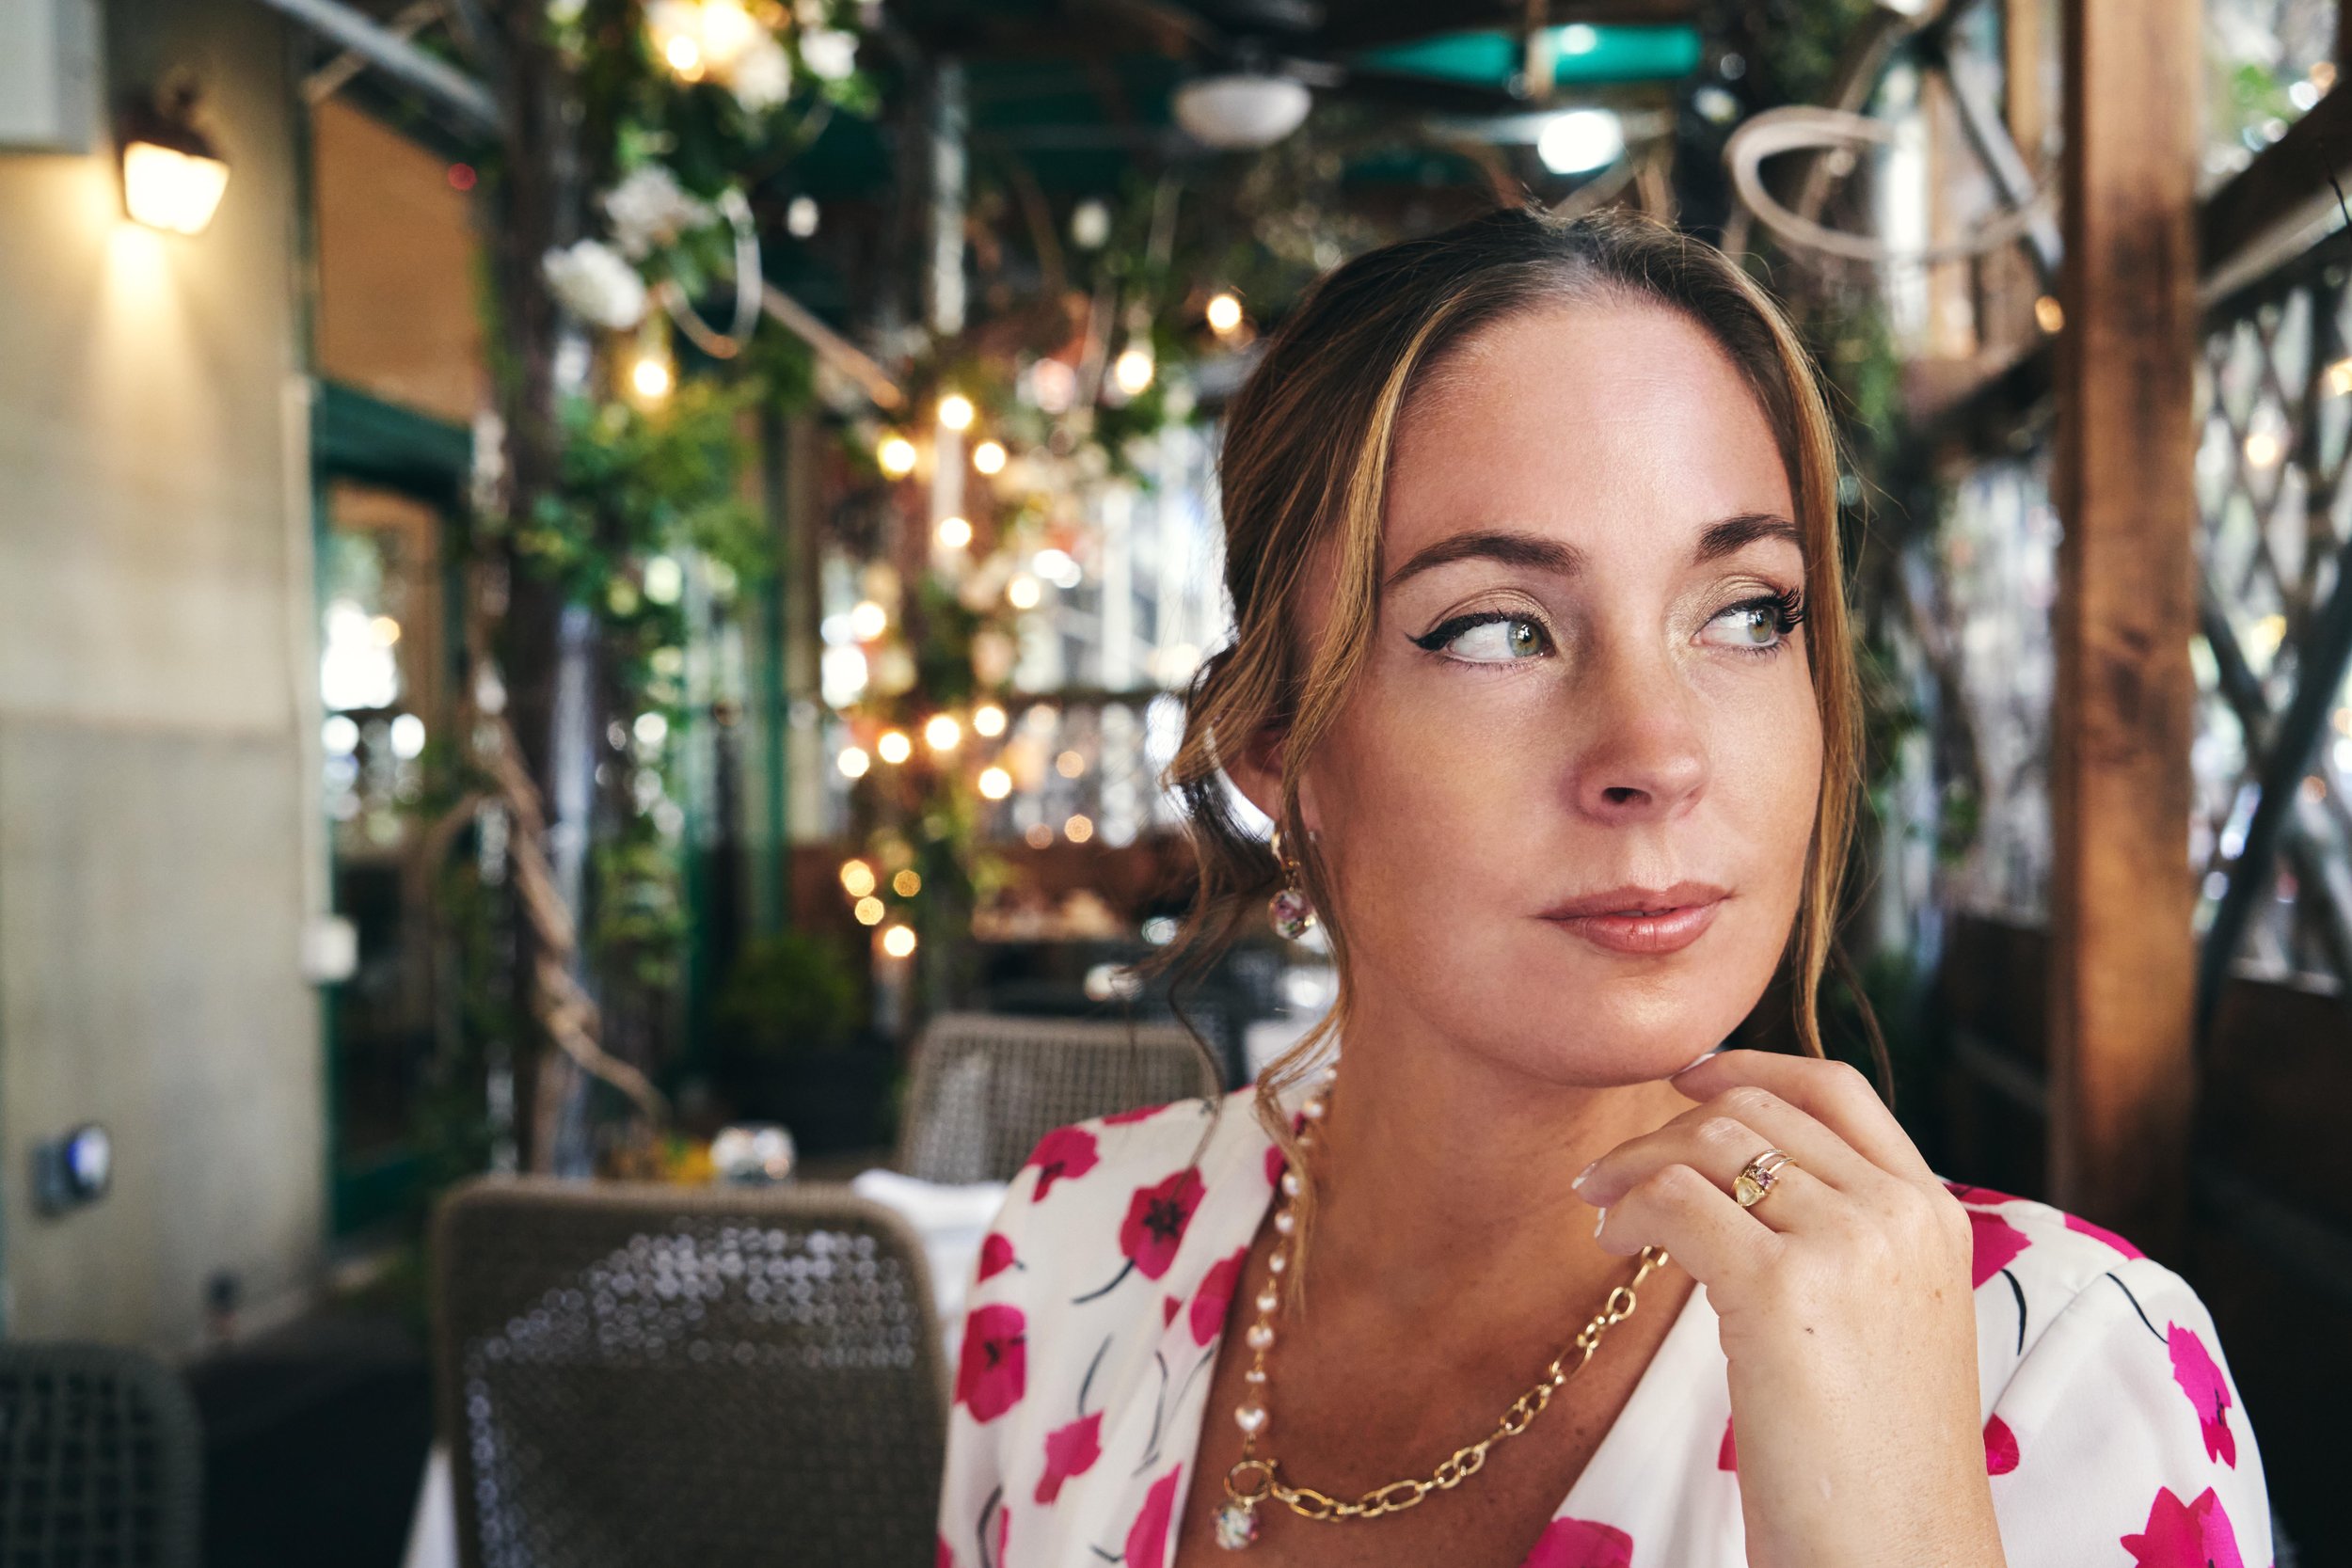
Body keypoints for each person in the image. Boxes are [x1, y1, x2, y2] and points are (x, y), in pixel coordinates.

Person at [934, 205, 2270, 1568]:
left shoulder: (2062, 1373)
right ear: (1280, 752)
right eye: (1495, 631)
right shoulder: (1077, 1250)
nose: (1659, 755)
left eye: (1749, 611)